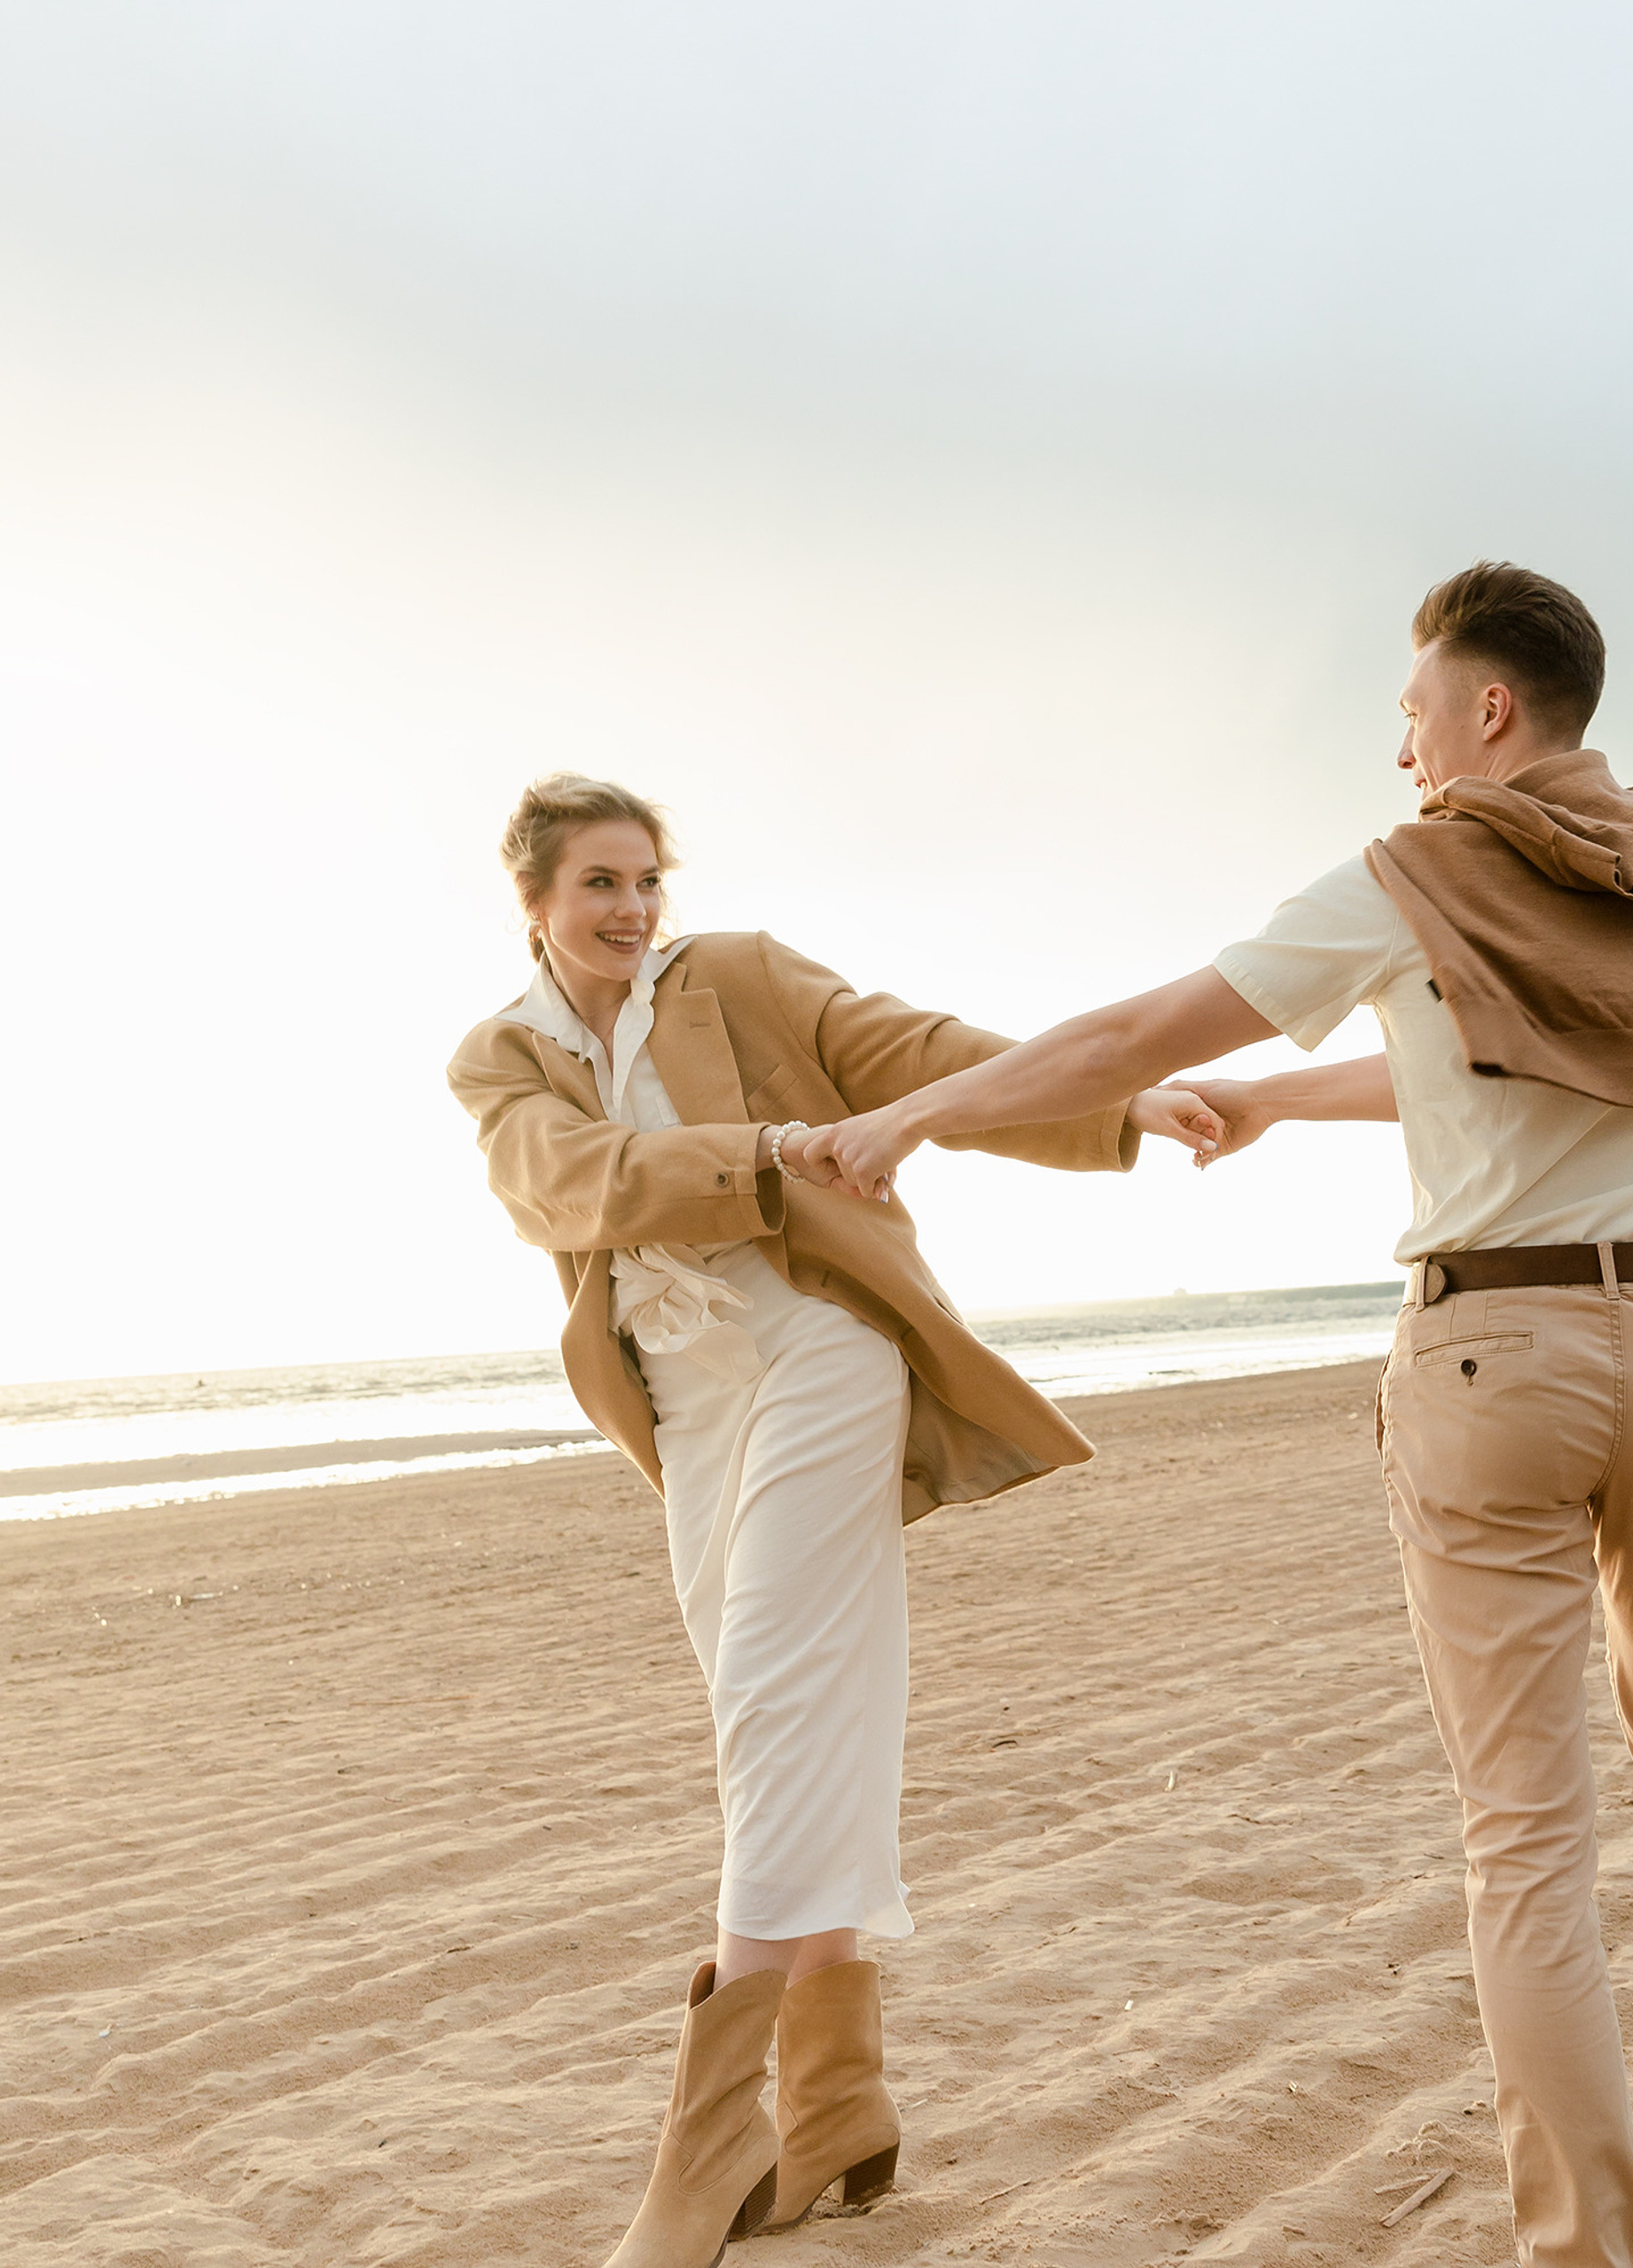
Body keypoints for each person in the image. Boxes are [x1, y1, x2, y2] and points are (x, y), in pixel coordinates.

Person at [805, 566, 1633, 2267]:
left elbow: (1138, 1029)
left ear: (1488, 711)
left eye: (1412, 713)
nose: (1405, 750)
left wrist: (914, 1116)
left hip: (1499, 1356)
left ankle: (1590, 2245)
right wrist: (1289, 1097)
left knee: (1528, 1826)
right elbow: (1515, 1061)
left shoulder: (1429, 866)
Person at [445, 774, 1219, 2268]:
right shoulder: (499, 1061)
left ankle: (716, 2134)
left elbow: (919, 1057)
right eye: (598, 884)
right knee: (782, 1704)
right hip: (686, 1400)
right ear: (534, 901)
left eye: (646, 880)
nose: (630, 910)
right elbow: (567, 1190)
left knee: (787, 1690)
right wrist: (770, 1152)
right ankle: (841, 2099)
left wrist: (1117, 1102)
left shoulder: (736, 976)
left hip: (816, 1347)